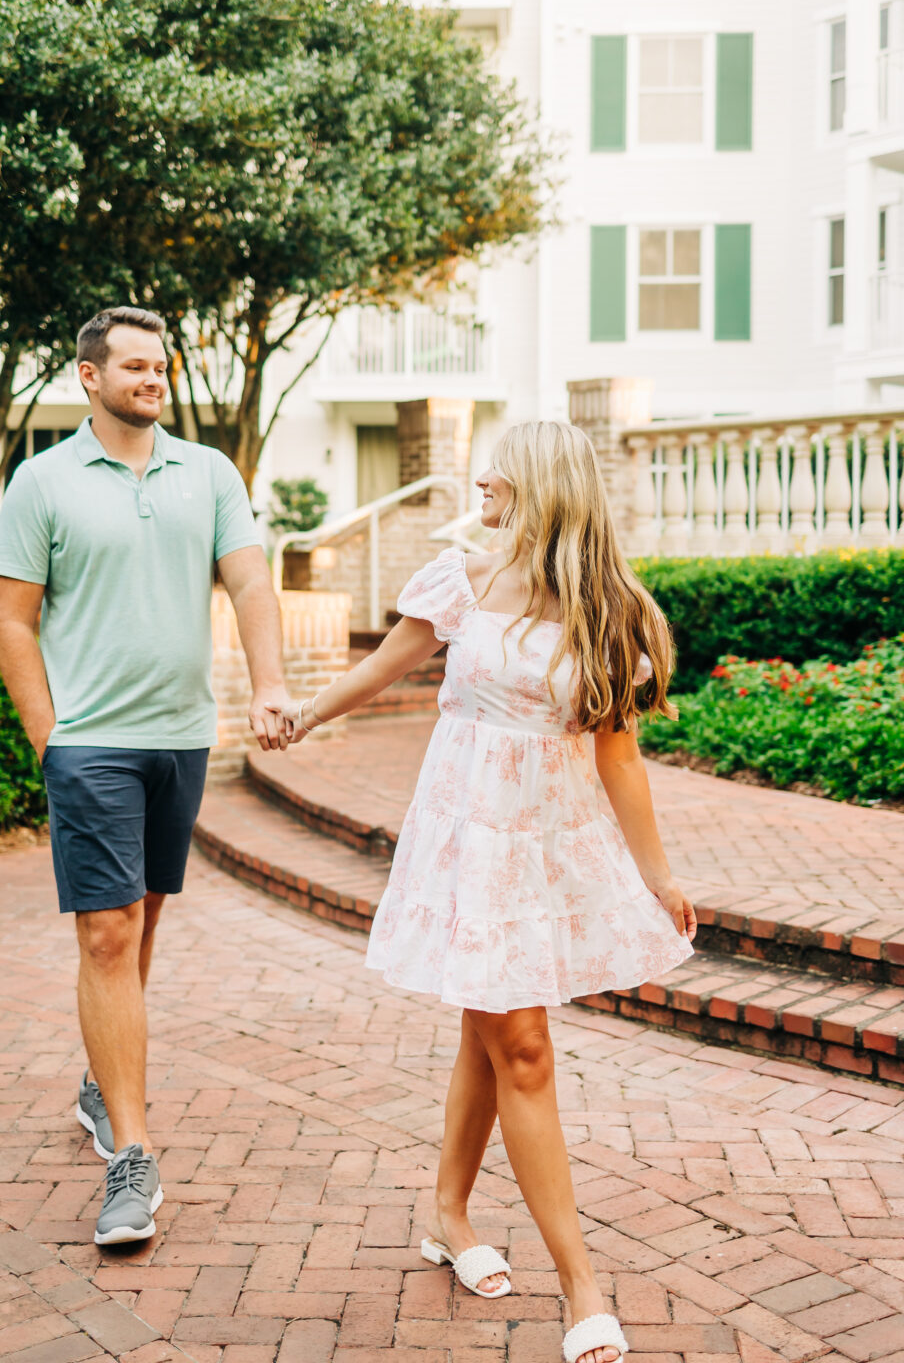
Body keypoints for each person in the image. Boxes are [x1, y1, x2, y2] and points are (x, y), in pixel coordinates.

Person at [281, 421, 696, 1363]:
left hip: (543, 847)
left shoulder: (612, 610)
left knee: (498, 1033)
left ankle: (449, 1213)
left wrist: (656, 874)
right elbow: (379, 669)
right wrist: (298, 718)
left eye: (497, 467)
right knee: (514, 1038)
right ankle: (574, 1282)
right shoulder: (460, 582)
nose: (480, 479)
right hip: (465, 840)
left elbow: (618, 755)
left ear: (543, 482)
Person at [0, 307, 293, 1248]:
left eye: (159, 366)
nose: (152, 379)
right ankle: (132, 1155)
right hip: (90, 743)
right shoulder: (42, 482)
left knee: (145, 914)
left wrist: (271, 682)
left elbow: (247, 581)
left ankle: (99, 1079)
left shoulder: (207, 473)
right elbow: (12, 617)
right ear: (89, 377)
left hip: (180, 737)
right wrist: (50, 738)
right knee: (109, 933)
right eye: (132, 366)